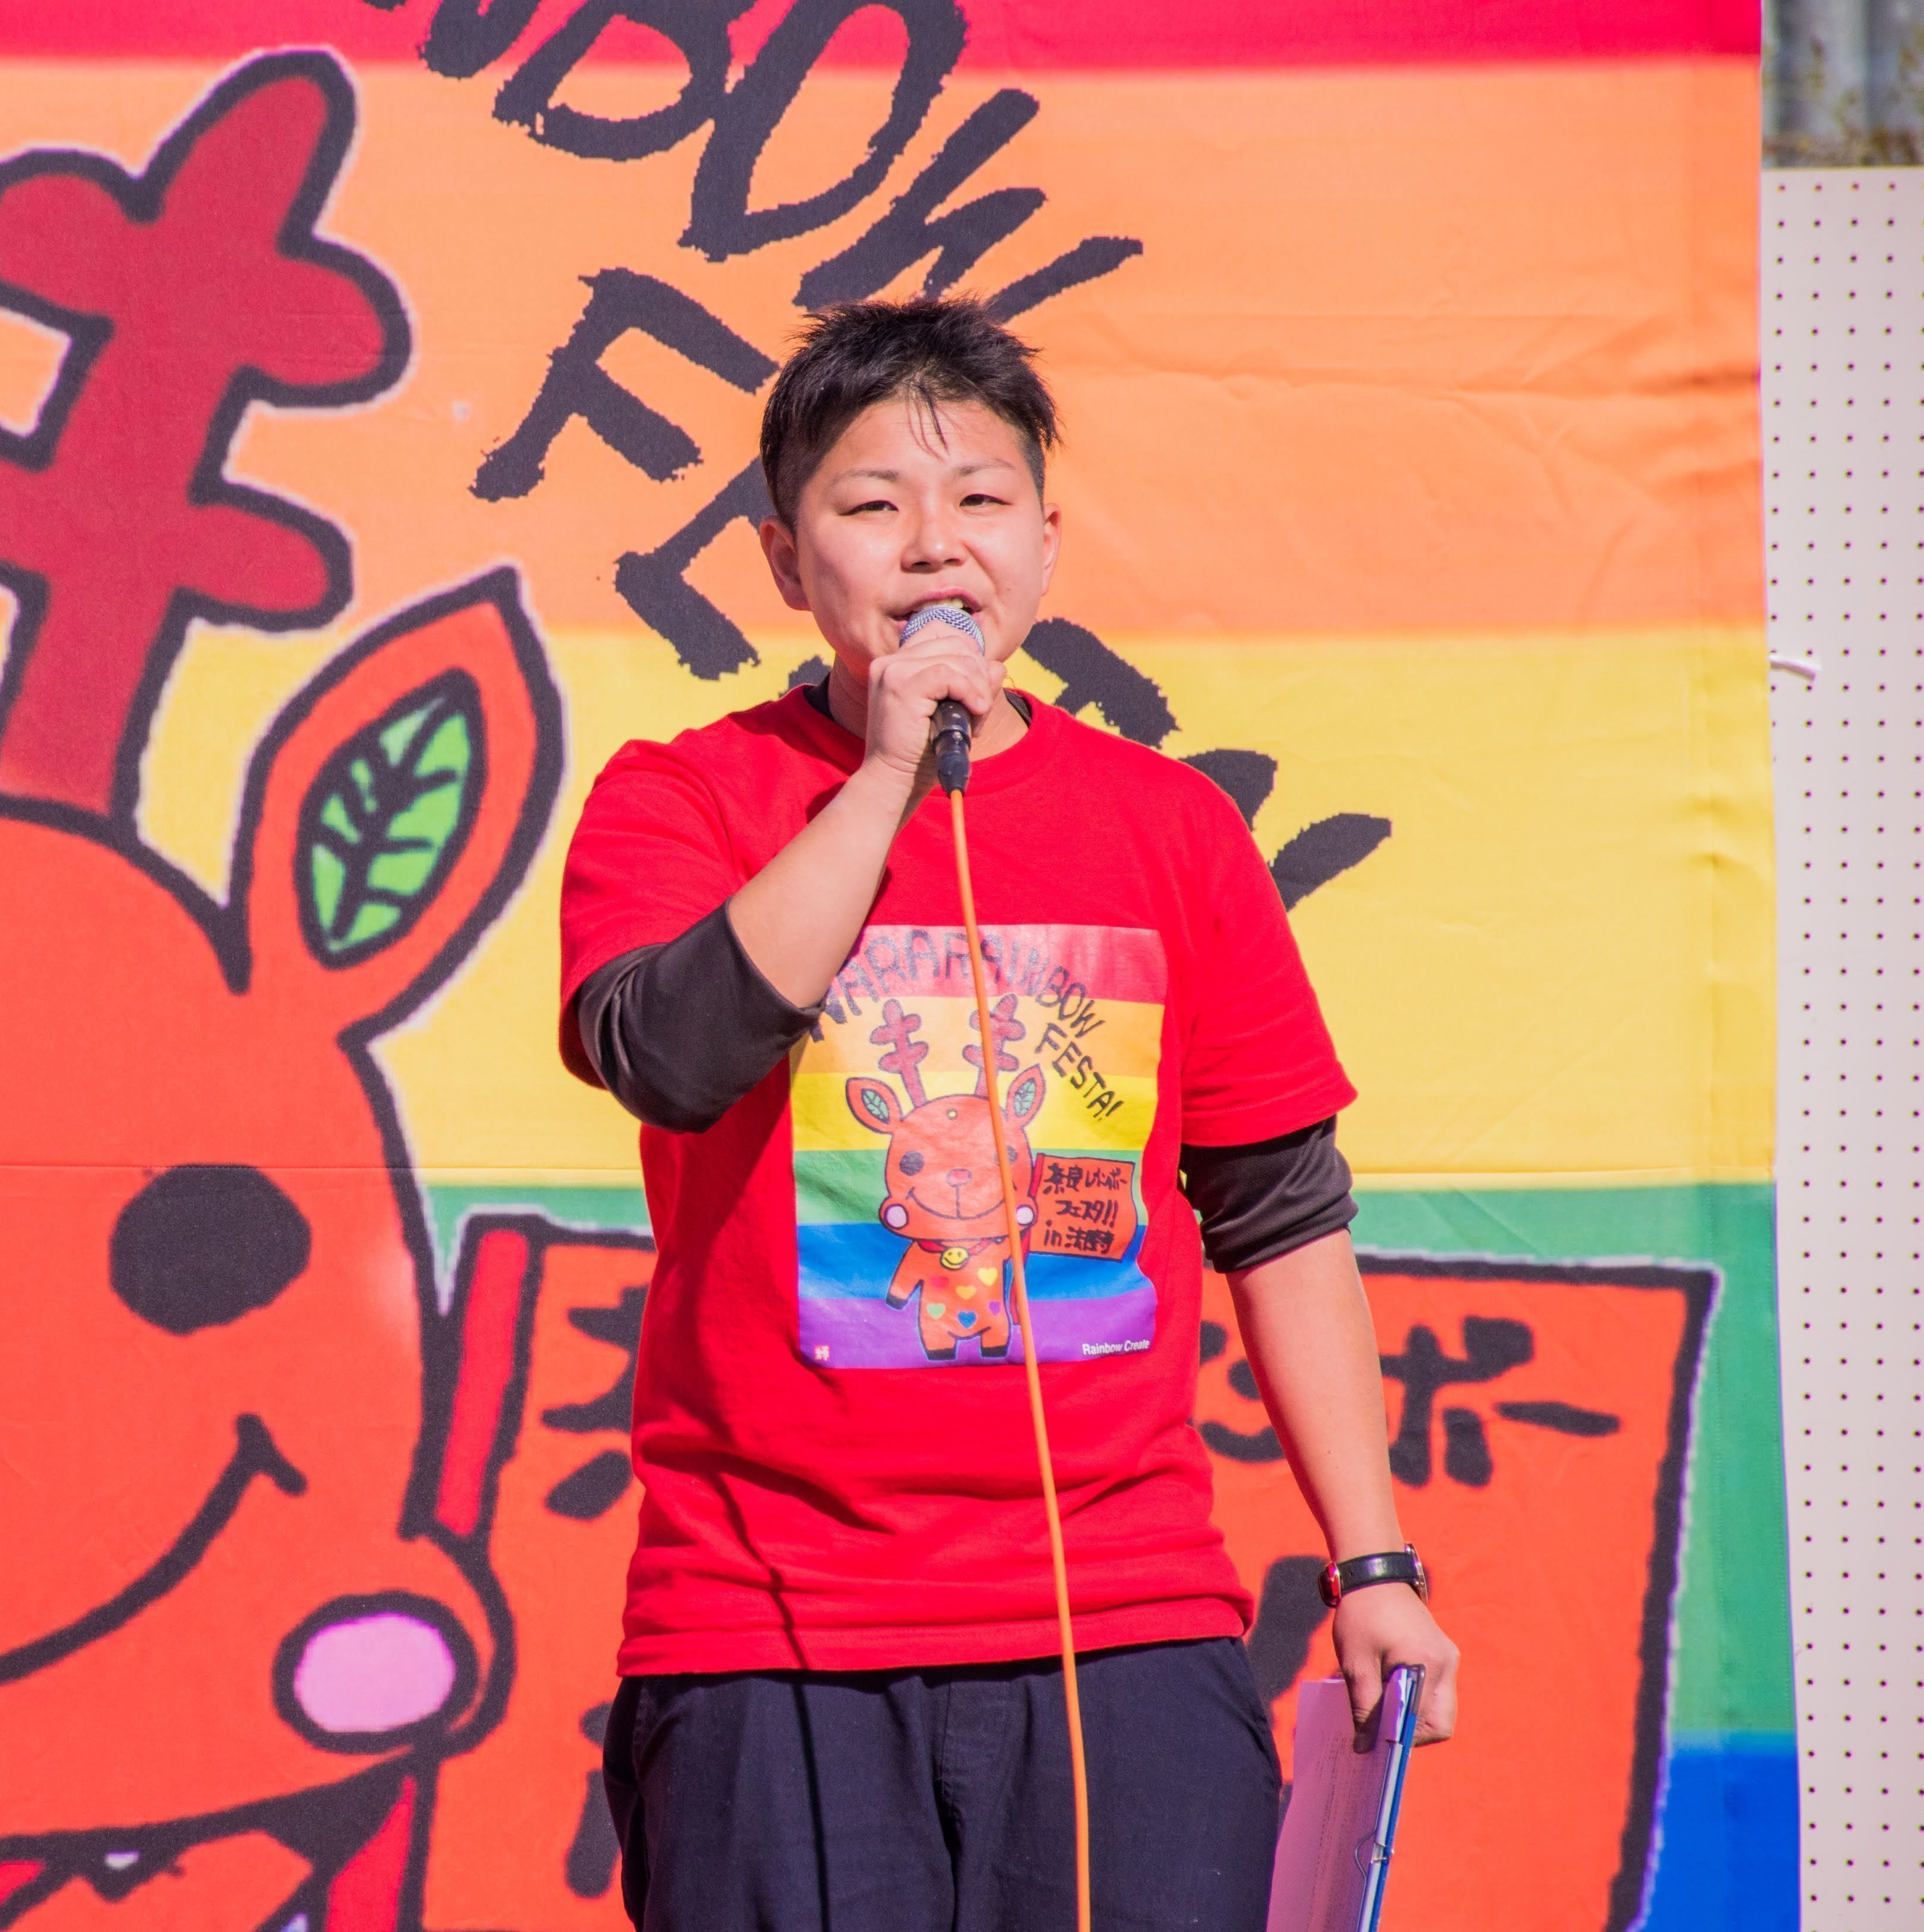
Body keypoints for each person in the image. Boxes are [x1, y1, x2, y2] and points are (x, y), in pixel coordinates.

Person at [556, 296, 1459, 1932]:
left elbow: (1279, 1212)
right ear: (782, 559)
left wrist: (1373, 1562)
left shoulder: (1170, 829)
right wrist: (885, 780)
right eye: (871, 503)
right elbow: (669, 1057)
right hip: (772, 1629)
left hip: (1123, 1623)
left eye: (979, 498)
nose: (933, 544)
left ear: (1045, 543)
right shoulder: (683, 797)